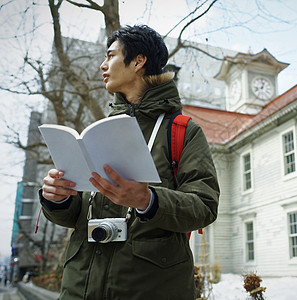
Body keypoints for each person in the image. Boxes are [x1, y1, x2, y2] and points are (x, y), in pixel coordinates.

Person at [39, 24, 220, 300]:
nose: (103, 65)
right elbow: (78, 215)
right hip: (79, 288)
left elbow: (204, 207)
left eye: (110, 56)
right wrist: (58, 199)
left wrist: (148, 200)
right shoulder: (100, 131)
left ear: (138, 61)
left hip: (150, 288)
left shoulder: (182, 131)